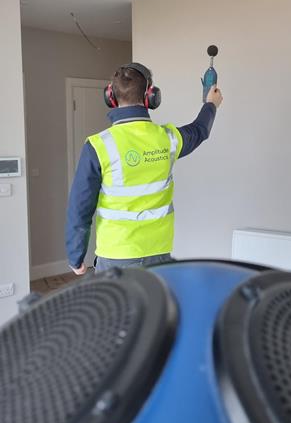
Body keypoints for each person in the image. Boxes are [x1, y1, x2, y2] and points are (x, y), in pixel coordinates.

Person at [65, 62, 223, 274]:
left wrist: (76, 257)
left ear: (110, 96)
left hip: (116, 254)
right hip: (159, 252)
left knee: (117, 308)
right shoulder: (168, 139)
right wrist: (210, 104)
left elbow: (79, 207)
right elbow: (199, 130)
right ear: (151, 96)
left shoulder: (98, 145)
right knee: (156, 307)